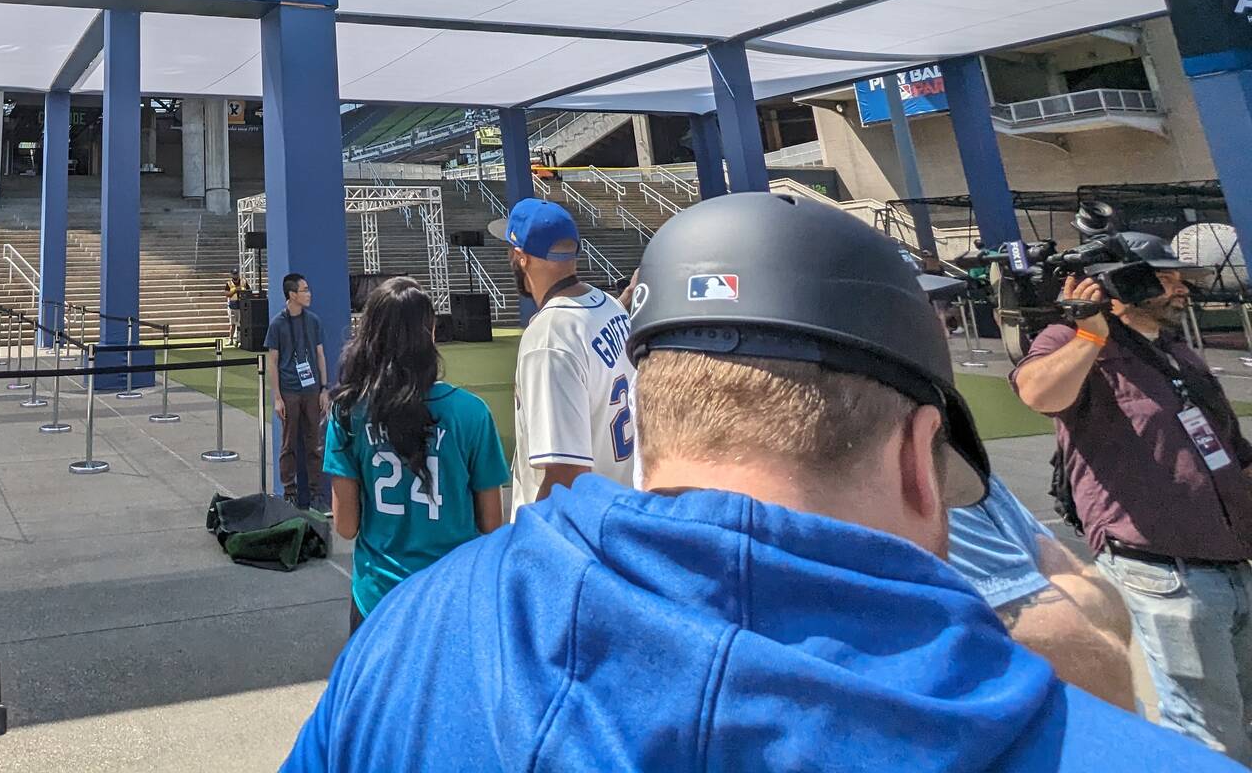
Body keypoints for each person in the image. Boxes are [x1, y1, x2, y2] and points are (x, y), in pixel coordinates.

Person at [284, 192, 1228, 771]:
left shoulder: (415, 638)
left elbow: (563, 473)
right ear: (918, 459)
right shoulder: (1067, 720)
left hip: (594, 573)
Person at [1012, 239, 1252, 758]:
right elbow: (1038, 394)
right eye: (1162, 278)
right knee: (1210, 731)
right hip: (1164, 568)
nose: (1179, 286)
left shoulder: (1178, 351)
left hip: (1234, 561)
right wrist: (1088, 332)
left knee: (1242, 718)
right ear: (1120, 282)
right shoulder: (1073, 339)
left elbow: (1231, 449)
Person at [324, 276, 507, 632]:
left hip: (377, 598)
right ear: (431, 334)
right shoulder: (471, 412)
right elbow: (491, 522)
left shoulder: (347, 413)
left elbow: (346, 526)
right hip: (452, 596)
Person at [490, 197, 634, 515]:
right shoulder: (609, 305)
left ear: (520, 257)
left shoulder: (549, 338)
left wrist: (526, 544)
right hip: (617, 513)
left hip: (576, 537)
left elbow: (565, 476)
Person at [947, 471, 1136, 708]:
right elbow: (1072, 652)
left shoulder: (969, 468)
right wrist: (1076, 594)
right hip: (1082, 727)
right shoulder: (941, 490)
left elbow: (1059, 560)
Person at [266, 272, 329, 510]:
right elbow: (273, 361)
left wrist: (324, 388)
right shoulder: (277, 324)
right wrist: (278, 397)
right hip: (290, 391)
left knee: (314, 443)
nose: (309, 294)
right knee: (289, 443)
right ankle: (289, 493)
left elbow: (320, 355)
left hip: (312, 390)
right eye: (304, 290)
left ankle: (316, 495)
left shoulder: (313, 321)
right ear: (292, 295)